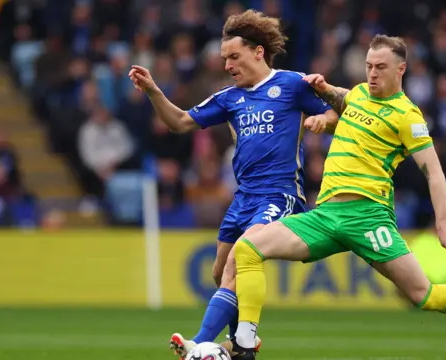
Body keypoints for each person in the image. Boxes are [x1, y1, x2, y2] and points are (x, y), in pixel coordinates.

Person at [229, 34, 446, 360]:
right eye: (368, 66)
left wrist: (443, 226)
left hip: (369, 217)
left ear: (401, 69)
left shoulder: (408, 116)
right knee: (248, 248)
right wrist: (324, 89)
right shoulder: (361, 93)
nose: (372, 73)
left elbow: (434, 171)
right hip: (325, 216)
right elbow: (344, 97)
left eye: (380, 67)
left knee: (422, 295)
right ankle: (245, 345)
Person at [128, 9, 338, 360]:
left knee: (238, 262)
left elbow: (336, 110)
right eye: (225, 59)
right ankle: (242, 346)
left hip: (279, 194)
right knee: (219, 272)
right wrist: (153, 91)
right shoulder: (229, 98)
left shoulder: (292, 84)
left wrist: (321, 119)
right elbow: (180, 121)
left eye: (234, 57)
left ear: (258, 52)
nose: (227, 65)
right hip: (243, 198)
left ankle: (200, 342)